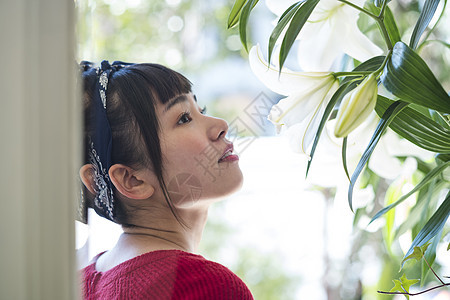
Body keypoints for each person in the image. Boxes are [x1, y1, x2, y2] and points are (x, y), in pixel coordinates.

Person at [79, 61, 253, 299]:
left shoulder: (81, 284)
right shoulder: (203, 286)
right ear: (131, 179)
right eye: (184, 118)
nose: (221, 125)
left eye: (200, 109)